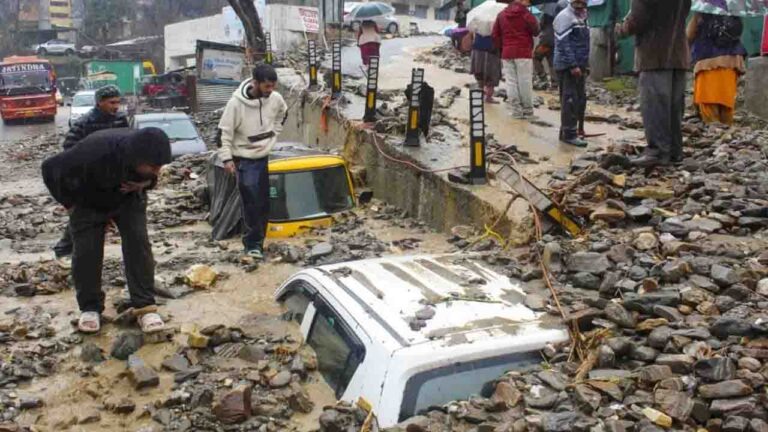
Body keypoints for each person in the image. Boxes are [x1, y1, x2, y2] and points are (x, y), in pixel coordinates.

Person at [41, 128, 171, 334]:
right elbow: (48, 168)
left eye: (159, 167)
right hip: (87, 202)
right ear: (136, 158)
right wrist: (68, 204)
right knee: (86, 252)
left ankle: (145, 306)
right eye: (154, 167)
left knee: (139, 245)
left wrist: (146, 183)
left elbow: (152, 175)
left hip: (128, 198)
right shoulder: (92, 151)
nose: (157, 171)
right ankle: (90, 308)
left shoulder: (146, 154)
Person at [219, 64, 288, 260]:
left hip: (263, 156)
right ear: (254, 83)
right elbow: (224, 133)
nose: (270, 90)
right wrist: (227, 159)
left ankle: (259, 242)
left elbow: (283, 113)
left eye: (273, 86)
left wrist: (274, 133)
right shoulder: (235, 104)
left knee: (264, 203)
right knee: (251, 202)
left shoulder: (275, 99)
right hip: (244, 159)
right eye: (266, 86)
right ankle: (251, 245)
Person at [53, 84, 128, 259]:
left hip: (114, 178)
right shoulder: (84, 123)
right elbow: (69, 150)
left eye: (118, 102)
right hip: (90, 180)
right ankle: (64, 250)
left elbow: (128, 145)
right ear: (99, 102)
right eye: (111, 102)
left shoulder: (120, 120)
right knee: (83, 216)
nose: (116, 106)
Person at [617, 0, 692, 167]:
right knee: (674, 107)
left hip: (654, 54)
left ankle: (657, 152)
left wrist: (621, 29)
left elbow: (637, 21)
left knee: (655, 106)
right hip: (678, 56)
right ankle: (674, 151)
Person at [687, 12, 746, 125]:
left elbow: (689, 35)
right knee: (726, 102)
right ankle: (726, 129)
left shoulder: (702, 11)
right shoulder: (734, 10)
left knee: (708, 101)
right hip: (731, 60)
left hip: (707, 61)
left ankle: (713, 130)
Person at [492, 0, 540, 119]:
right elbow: (536, 31)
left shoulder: (501, 14)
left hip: (507, 52)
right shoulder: (526, 14)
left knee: (511, 82)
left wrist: (502, 48)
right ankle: (528, 111)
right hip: (523, 52)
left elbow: (495, 35)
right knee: (525, 82)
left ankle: (516, 111)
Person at [554, 0, 590, 147]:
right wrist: (573, 65)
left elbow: (584, 42)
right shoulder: (565, 17)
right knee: (570, 99)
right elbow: (563, 44)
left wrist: (584, 65)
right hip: (567, 66)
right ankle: (569, 134)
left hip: (579, 64)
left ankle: (574, 130)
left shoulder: (583, 16)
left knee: (580, 99)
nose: (581, 4)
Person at [534, 1, 567, 88]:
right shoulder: (563, 15)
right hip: (556, 39)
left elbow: (540, 27)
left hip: (546, 40)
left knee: (536, 57)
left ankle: (542, 77)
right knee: (551, 60)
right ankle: (555, 83)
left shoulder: (546, 14)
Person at [470, 32, 502, 103]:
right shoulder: (495, 23)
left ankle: (479, 95)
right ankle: (488, 98)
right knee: (492, 76)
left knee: (479, 73)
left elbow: (472, 35)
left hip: (477, 49)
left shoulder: (478, 23)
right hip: (492, 50)